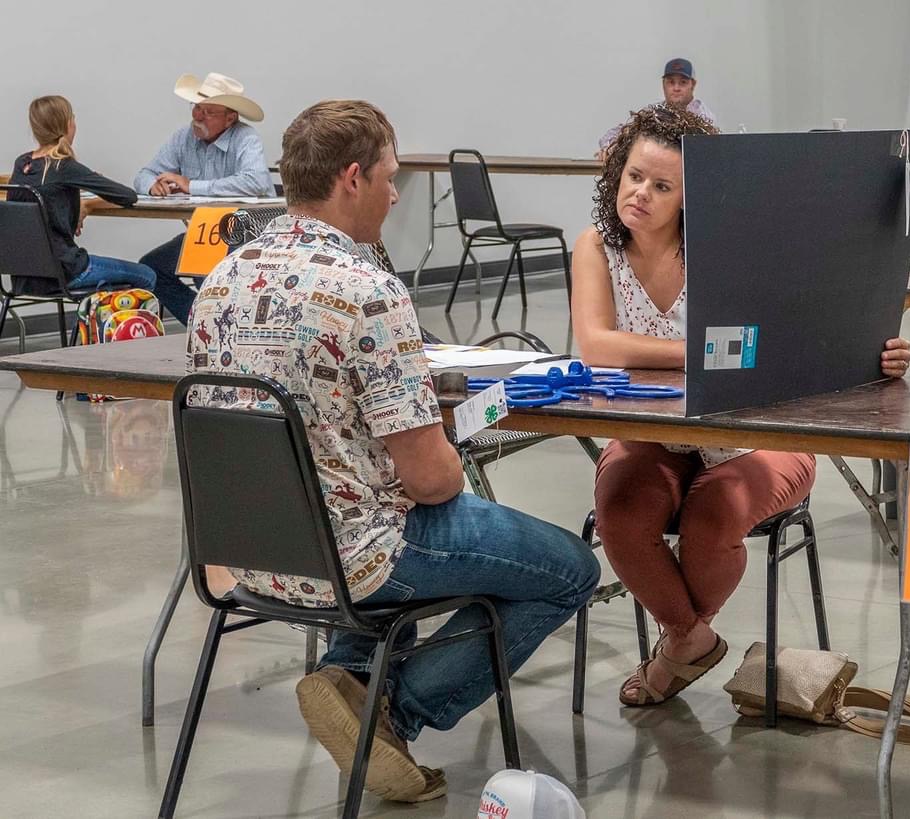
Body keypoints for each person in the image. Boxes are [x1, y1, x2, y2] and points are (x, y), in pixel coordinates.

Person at [186, 100, 599, 803]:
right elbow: (433, 482)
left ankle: (348, 674)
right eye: (389, 175)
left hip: (255, 556)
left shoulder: (221, 281)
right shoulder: (368, 291)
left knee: (426, 541)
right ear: (352, 178)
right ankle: (392, 709)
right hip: (359, 559)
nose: (395, 191)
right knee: (570, 568)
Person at [571, 106, 910, 706]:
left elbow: (798, 332)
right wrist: (700, 355)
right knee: (619, 513)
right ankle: (692, 640)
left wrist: (879, 354)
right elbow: (597, 345)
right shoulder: (596, 247)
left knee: (711, 520)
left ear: (690, 195)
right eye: (633, 176)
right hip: (654, 430)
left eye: (661, 186)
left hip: (756, 432)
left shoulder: (727, 246)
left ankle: (676, 651)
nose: (640, 195)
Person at [135, 72, 273, 322]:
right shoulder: (183, 137)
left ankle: (221, 328)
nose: (198, 116)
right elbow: (144, 174)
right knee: (151, 267)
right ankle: (203, 325)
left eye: (208, 112)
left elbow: (256, 181)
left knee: (204, 267)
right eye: (196, 107)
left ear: (230, 118)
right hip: (205, 231)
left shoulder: (246, 138)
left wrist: (191, 186)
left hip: (245, 232)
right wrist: (152, 185)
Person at [6, 96, 156, 297]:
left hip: (24, 278)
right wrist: (90, 199)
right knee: (147, 275)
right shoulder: (64, 166)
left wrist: (82, 204)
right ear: (68, 125)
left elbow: (47, 200)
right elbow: (127, 196)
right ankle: (111, 326)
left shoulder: (22, 164)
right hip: (66, 271)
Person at [597, 58, 717, 157]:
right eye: (671, 82)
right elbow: (620, 132)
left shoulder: (703, 117)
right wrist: (610, 147)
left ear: (693, 85)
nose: (676, 88)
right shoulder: (656, 111)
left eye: (683, 82)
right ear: (663, 84)